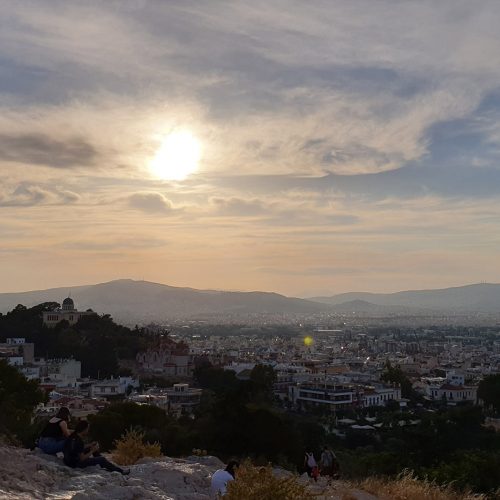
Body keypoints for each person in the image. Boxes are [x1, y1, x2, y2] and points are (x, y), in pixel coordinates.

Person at [63, 420, 129, 475]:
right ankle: (121, 471)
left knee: (91, 448)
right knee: (101, 459)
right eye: (87, 429)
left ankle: (102, 463)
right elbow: (82, 459)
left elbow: (76, 448)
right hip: (75, 464)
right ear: (84, 429)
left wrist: (90, 445)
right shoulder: (79, 441)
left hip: (68, 461)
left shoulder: (72, 436)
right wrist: (92, 451)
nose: (88, 430)